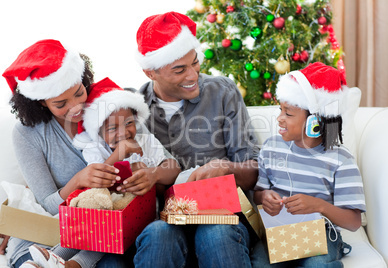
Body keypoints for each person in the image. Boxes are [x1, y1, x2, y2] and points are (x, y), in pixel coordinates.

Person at [132, 11, 259, 268]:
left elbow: (254, 169)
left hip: (221, 219)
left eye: (195, 62)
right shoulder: (132, 108)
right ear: (150, 72)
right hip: (163, 223)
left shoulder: (223, 92)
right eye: (179, 69)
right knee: (159, 235)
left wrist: (228, 168)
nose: (192, 76)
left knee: (215, 233)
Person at [20, 77, 182, 268]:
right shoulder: (94, 148)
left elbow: (174, 168)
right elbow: (101, 178)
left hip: (142, 213)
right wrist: (119, 154)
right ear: (98, 132)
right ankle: (49, 259)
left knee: (102, 228)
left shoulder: (145, 140)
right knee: (95, 224)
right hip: (111, 212)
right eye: (113, 128)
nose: (123, 133)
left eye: (129, 123)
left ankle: (69, 264)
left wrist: (154, 174)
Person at [2, 39, 129, 268]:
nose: (76, 107)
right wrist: (78, 181)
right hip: (44, 236)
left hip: (100, 235)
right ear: (41, 102)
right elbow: (46, 205)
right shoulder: (27, 134)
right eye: (61, 103)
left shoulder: (109, 108)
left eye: (79, 93)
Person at [252, 62, 366, 267]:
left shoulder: (341, 159)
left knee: (318, 264)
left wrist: (319, 206)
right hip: (278, 232)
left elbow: (353, 222)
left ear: (315, 121)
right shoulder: (271, 148)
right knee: (260, 263)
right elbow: (259, 193)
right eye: (280, 110)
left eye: (288, 113)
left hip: (322, 232)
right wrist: (264, 197)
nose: (279, 119)